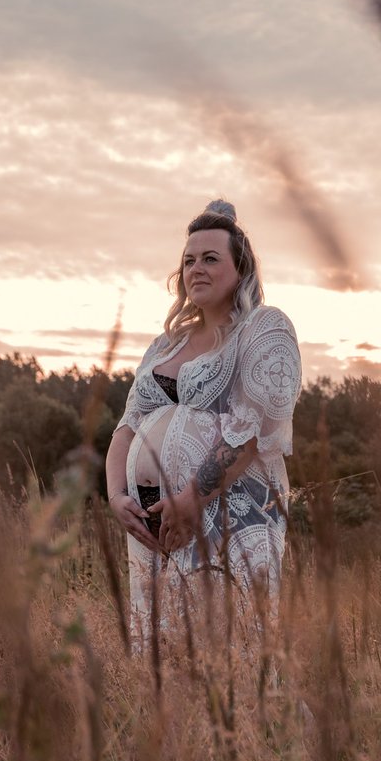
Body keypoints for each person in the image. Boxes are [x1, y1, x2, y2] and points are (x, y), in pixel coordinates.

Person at [105, 199, 302, 646]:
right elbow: (128, 424)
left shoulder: (263, 329)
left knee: (235, 650)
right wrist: (116, 495)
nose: (197, 268)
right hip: (151, 524)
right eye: (189, 260)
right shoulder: (164, 344)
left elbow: (252, 428)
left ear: (241, 267)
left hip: (228, 512)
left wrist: (191, 499)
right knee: (163, 656)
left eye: (211, 258)